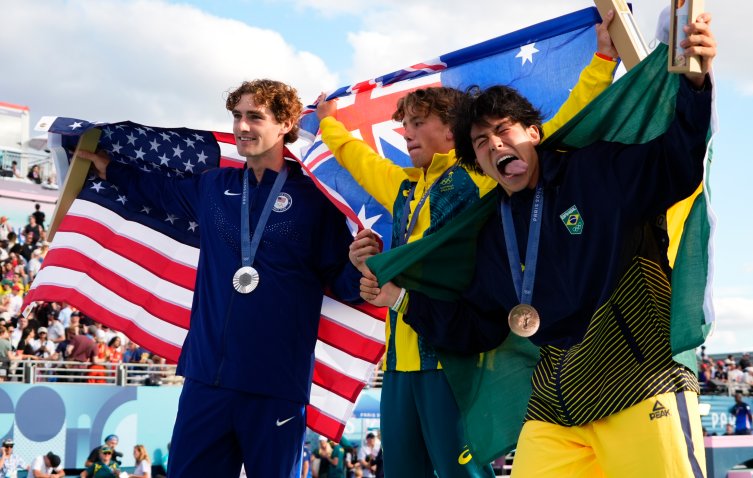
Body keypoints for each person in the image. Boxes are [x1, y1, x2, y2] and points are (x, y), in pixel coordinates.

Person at [360, 12, 717, 477]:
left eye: (504, 129)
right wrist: (402, 298)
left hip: (640, 385)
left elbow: (676, 164)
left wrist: (694, 80)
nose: (494, 144)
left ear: (534, 133)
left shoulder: (594, 174)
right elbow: (477, 327)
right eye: (482, 141)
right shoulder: (493, 234)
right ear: (479, 162)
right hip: (556, 406)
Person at [316, 12, 620, 477]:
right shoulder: (400, 185)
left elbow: (560, 128)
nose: (405, 132)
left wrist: (601, 60)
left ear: (453, 131)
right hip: (399, 358)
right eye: (404, 124)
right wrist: (330, 124)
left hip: (453, 355)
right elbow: (355, 158)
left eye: (417, 123)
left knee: (460, 472)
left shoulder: (478, 175)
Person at [77, 78, 369, 478]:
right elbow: (154, 189)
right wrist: (108, 166)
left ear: (286, 123)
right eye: (237, 116)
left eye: (255, 117)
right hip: (206, 378)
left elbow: (340, 280)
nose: (242, 127)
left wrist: (359, 268)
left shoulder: (315, 198)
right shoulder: (214, 186)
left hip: (276, 384)